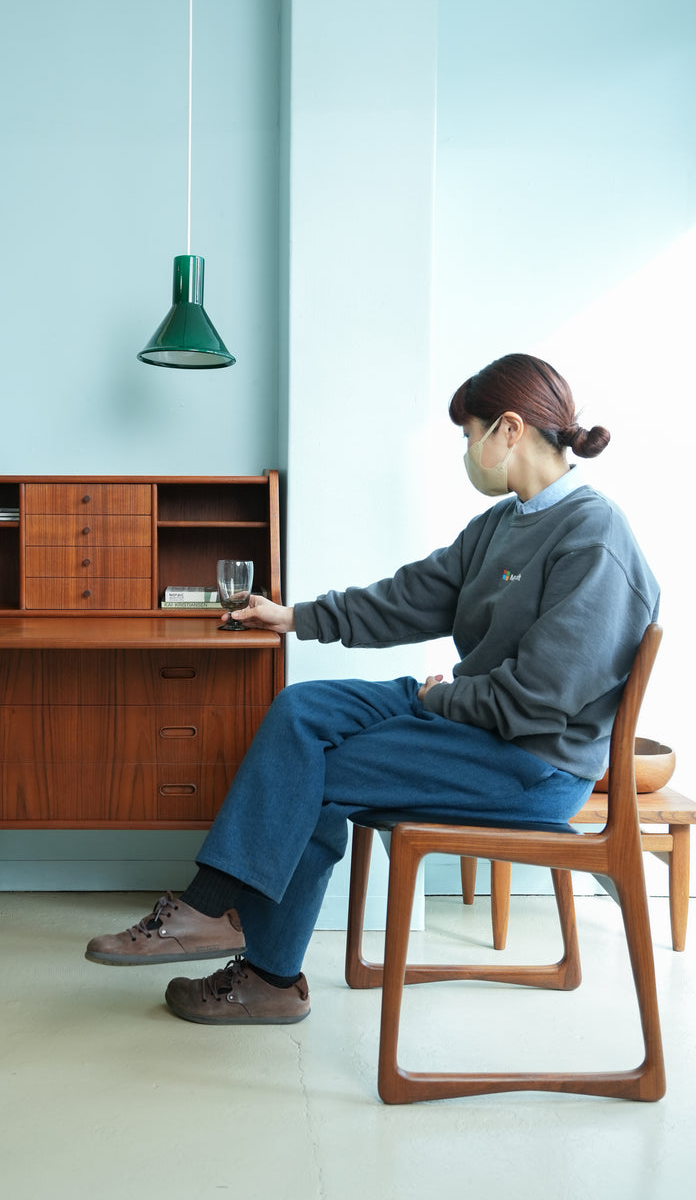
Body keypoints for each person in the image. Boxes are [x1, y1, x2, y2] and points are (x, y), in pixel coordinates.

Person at [85, 354, 660, 1025]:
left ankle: (247, 948)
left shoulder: (595, 540)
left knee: (314, 768)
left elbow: (534, 702)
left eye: (469, 435)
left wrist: (438, 700)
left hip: (531, 762)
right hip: (475, 722)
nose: (467, 452)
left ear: (509, 429)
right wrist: (297, 616)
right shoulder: (505, 523)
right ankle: (219, 914)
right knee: (303, 712)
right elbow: (410, 596)